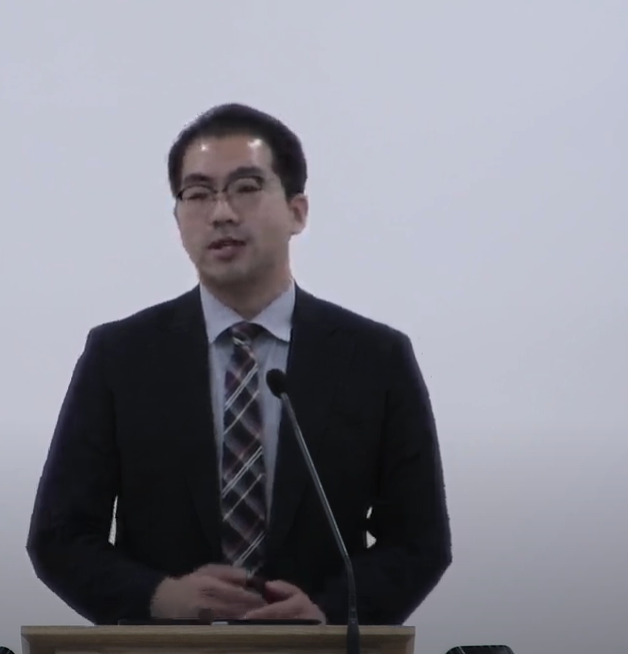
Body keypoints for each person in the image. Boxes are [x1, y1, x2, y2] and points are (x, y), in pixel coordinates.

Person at [26, 103, 451, 626]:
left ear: (297, 211)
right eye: (198, 194)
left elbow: (419, 541)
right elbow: (60, 535)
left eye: (246, 188)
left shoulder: (375, 358)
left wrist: (331, 611)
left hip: (316, 653)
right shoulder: (120, 356)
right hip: (163, 650)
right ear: (178, 220)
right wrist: (158, 597)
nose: (221, 212)